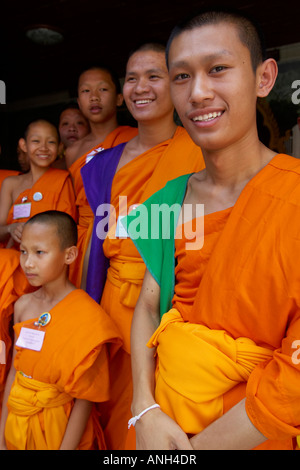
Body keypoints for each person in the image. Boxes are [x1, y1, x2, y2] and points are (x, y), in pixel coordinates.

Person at [124, 8, 300, 450]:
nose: (198, 92)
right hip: (160, 427)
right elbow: (148, 305)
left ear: (264, 78)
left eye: (218, 69)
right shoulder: (168, 199)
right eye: (181, 77)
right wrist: (143, 408)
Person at [81, 42, 205, 449]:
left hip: (177, 304)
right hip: (114, 303)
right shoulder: (102, 165)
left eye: (155, 76)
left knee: (167, 412)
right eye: (132, 78)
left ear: (176, 83)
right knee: (115, 412)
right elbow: (94, 246)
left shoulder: (203, 153)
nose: (141, 87)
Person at [0, 211, 121, 450]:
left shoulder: (88, 316)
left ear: (70, 255)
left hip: (59, 428)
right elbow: (15, 372)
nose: (28, 262)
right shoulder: (23, 305)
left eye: (39, 252)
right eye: (23, 251)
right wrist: (2, 436)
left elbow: (86, 399)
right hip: (17, 423)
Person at [65, 65, 138, 288]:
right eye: (86, 91)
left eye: (103, 90)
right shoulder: (73, 152)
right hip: (84, 239)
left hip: (126, 234)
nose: (94, 97)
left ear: (119, 98)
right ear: (78, 101)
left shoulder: (136, 138)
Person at [0, 119, 77, 249]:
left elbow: (69, 231)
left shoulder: (64, 180)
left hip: (49, 259)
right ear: (23, 145)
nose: (44, 148)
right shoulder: (11, 183)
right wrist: (10, 229)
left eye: (51, 142)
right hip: (15, 259)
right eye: (36, 141)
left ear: (59, 148)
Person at [52, 105, 90, 170]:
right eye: (65, 123)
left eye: (79, 123)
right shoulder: (52, 169)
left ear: (89, 128)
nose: (72, 128)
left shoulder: (97, 160)